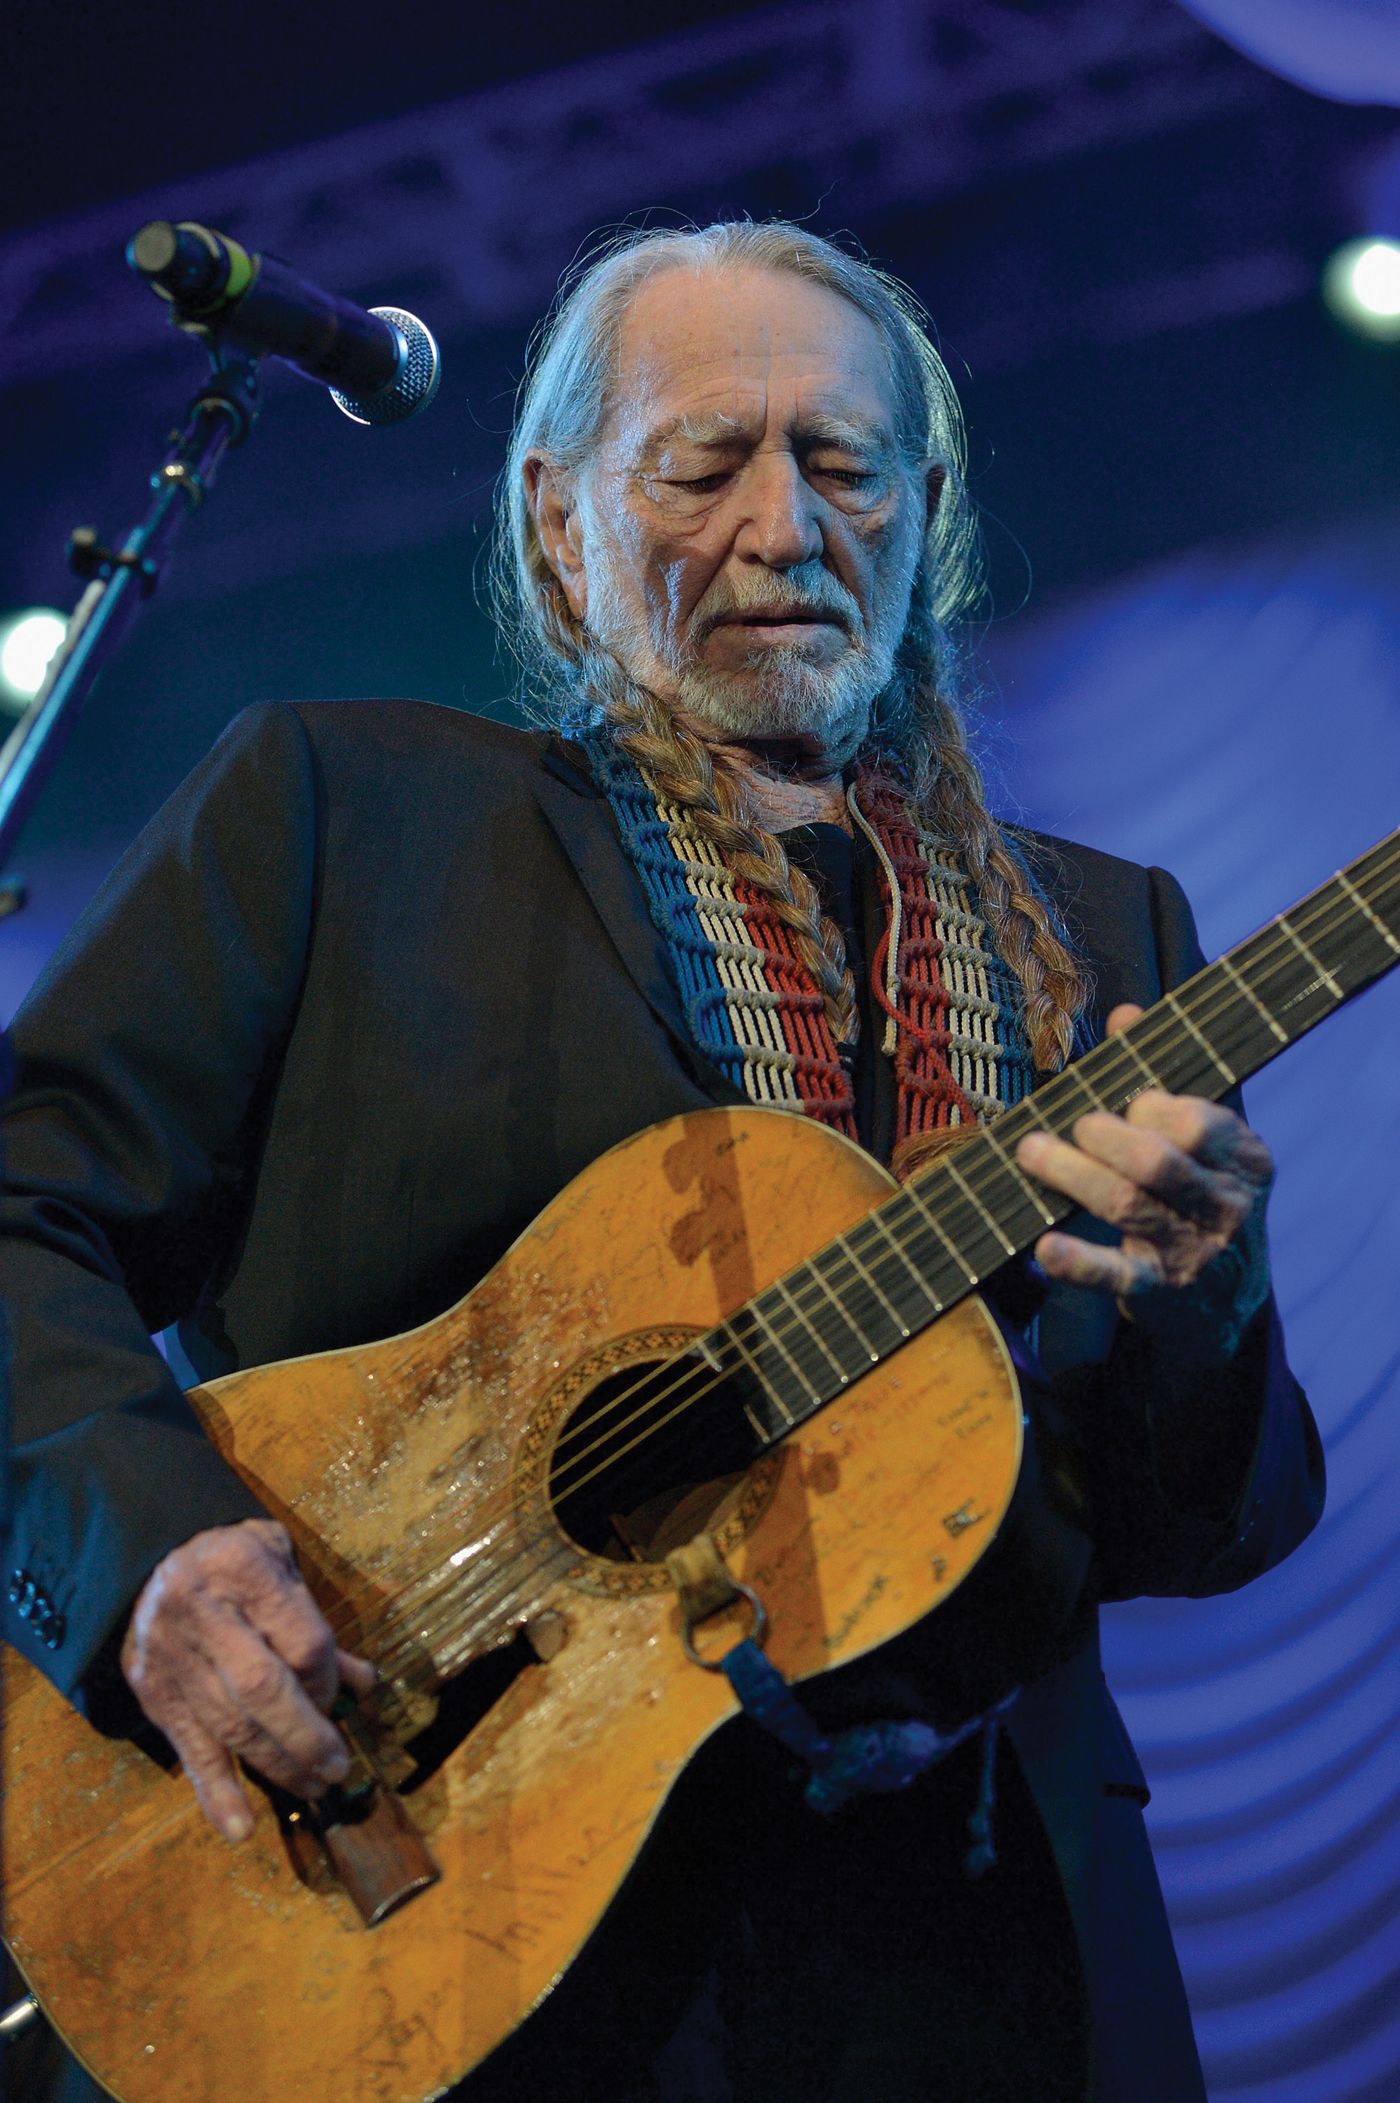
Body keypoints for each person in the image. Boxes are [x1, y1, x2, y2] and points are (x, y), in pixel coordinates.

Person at [2, 222, 1322, 2103]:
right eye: (705, 466)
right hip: (433, 1915)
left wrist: (1212, 1306)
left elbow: (1215, 1529)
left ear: (924, 512)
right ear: (559, 523)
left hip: (989, 1954)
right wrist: (149, 1562)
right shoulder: (342, 813)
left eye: (846, 465)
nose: (786, 526)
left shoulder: (1109, 939)